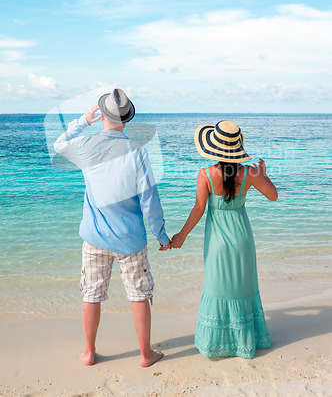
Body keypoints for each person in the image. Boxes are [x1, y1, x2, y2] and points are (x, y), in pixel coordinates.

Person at [53, 88, 170, 367]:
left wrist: (83, 120)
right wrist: (161, 235)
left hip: (94, 237)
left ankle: (89, 353)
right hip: (130, 239)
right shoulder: (136, 151)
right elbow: (149, 198)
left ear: (101, 115)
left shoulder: (84, 146)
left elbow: (59, 144)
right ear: (126, 119)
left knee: (91, 295)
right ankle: (145, 354)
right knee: (139, 294)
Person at [171, 120, 278, 359]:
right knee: (244, 289)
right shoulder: (250, 172)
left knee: (218, 289)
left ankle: (220, 343)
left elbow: (199, 209)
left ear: (214, 148)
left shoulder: (206, 174)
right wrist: (262, 175)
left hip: (217, 243)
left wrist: (181, 236)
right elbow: (273, 196)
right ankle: (245, 342)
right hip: (243, 240)